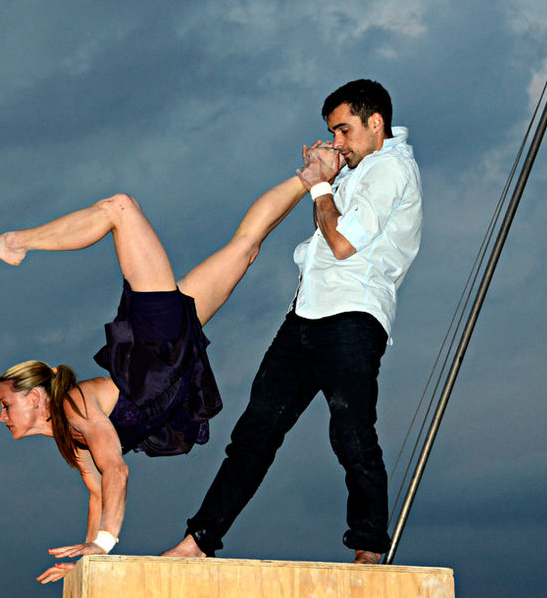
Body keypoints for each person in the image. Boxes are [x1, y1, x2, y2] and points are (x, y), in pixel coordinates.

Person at [0, 175, 307, 583]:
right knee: (245, 249)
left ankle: (16, 242)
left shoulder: (73, 406)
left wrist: (105, 542)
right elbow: (98, 492)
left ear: (35, 398)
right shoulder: (70, 440)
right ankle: (309, 178)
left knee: (120, 208)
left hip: (155, 346)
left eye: (6, 405)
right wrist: (88, 561)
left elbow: (118, 473)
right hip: (169, 356)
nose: (2, 417)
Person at [163, 79, 423, 564]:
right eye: (331, 132)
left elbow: (343, 242)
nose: (338, 142)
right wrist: (320, 175)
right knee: (255, 432)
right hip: (305, 314)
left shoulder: (392, 168)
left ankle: (368, 548)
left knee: (351, 432)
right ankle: (198, 542)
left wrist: (322, 183)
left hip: (353, 315)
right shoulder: (357, 169)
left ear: (376, 123)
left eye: (344, 130)